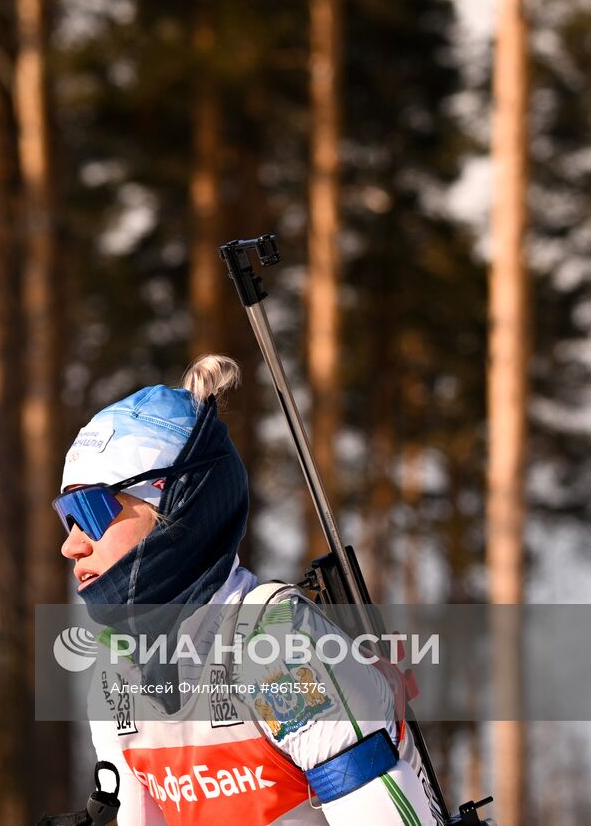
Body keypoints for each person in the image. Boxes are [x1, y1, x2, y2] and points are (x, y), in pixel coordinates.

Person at [53, 354, 444, 826]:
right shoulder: (116, 683)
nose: (71, 544)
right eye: (66, 517)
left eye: (91, 510)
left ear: (177, 501)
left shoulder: (280, 650)